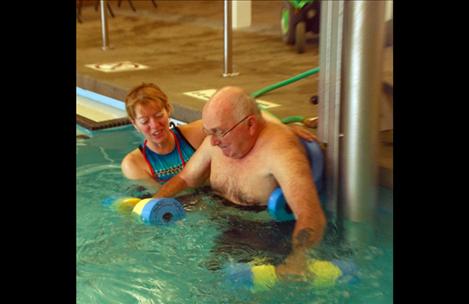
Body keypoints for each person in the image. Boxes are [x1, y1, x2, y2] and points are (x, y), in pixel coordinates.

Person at [153, 86, 326, 280]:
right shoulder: (218, 141)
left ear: (250, 125)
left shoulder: (280, 151)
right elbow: (185, 178)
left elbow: (310, 215)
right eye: (208, 132)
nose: (213, 142)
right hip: (218, 213)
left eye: (219, 132)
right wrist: (153, 202)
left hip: (262, 230)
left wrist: (298, 258)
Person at [121, 83, 316, 192]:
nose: (154, 126)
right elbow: (161, 197)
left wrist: (283, 129)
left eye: (158, 116)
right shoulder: (135, 163)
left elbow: (246, 113)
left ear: (169, 110)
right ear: (134, 123)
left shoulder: (195, 133)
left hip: (215, 199)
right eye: (145, 121)